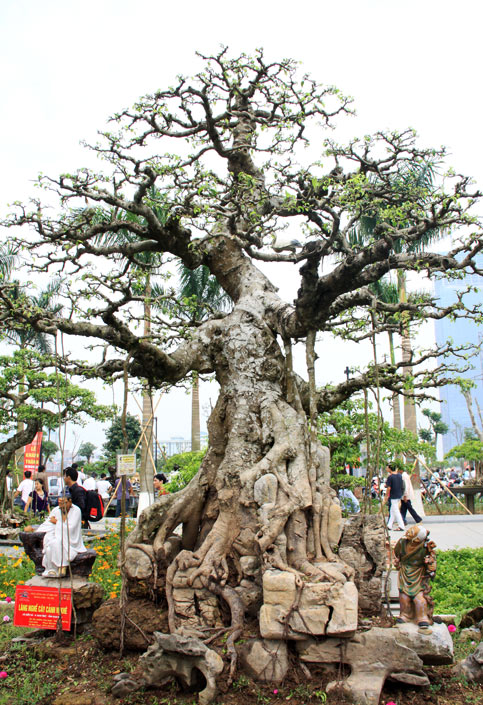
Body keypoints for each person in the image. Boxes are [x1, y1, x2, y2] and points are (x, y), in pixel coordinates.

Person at [26, 493, 86, 578]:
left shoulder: (76, 511)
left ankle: (62, 566)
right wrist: (35, 529)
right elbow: (48, 524)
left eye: (63, 502)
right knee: (50, 546)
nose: (61, 505)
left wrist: (57, 522)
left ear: (70, 502)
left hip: (70, 539)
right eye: (59, 502)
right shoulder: (56, 510)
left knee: (57, 543)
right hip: (56, 534)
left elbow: (71, 528)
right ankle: (51, 569)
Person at [394, 525, 437, 633]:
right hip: (405, 572)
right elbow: (397, 554)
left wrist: (430, 564)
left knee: (419, 598)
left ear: (417, 539)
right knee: (404, 596)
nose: (408, 531)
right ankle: (405, 615)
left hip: (418, 573)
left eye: (412, 531)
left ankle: (422, 617)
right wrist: (397, 562)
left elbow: (432, 561)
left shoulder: (426, 547)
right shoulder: (402, 543)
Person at [383, 463, 405, 531]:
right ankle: (389, 525)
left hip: (393, 495)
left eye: (387, 467)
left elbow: (388, 488)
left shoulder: (390, 477)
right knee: (392, 510)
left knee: (396, 511)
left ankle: (401, 525)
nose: (386, 469)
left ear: (390, 468)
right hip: (399, 494)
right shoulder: (399, 475)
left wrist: (386, 496)